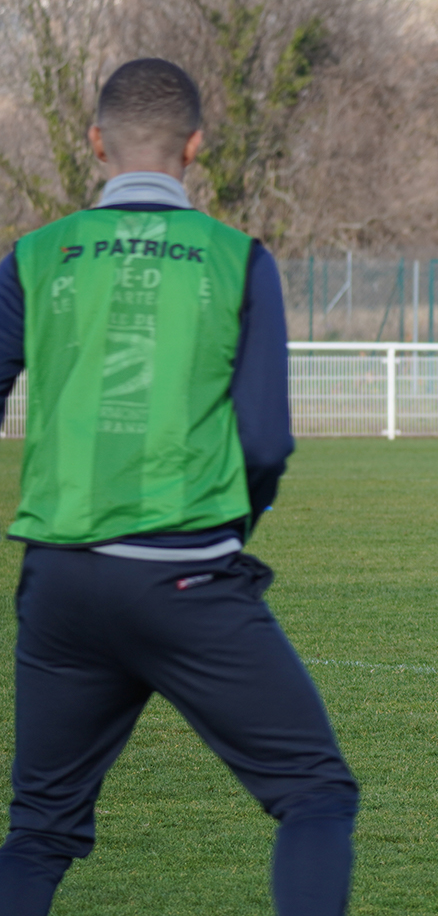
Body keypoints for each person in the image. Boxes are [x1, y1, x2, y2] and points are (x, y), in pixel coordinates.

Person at [0, 59, 358, 913]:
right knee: (315, 796)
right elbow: (266, 441)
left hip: (58, 581)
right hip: (184, 575)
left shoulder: (33, 257)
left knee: (39, 834)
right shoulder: (238, 261)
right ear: (195, 147)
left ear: (96, 144)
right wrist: (238, 527)